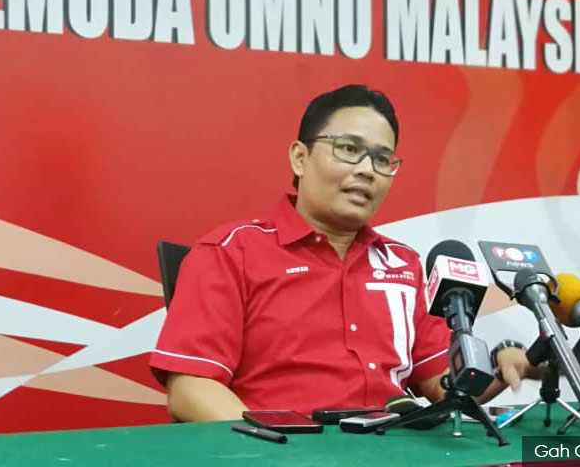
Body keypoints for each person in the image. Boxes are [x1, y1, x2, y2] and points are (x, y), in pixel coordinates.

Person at [150, 84, 535, 422]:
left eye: (382, 159)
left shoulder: (403, 264)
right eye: (349, 149)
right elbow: (191, 388)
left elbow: (442, 386)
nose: (367, 170)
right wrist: (278, 451)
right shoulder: (233, 251)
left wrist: (509, 364)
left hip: (393, 450)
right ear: (300, 158)